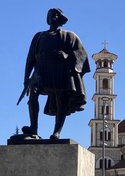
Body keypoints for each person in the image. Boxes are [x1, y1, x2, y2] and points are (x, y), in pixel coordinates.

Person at [21, 8, 90, 139]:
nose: (53, 17)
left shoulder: (69, 36)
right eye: (50, 15)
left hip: (59, 71)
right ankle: (33, 128)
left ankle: (57, 132)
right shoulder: (39, 36)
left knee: (60, 99)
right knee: (33, 96)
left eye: (55, 15)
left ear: (61, 18)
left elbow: (81, 55)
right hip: (41, 71)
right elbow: (30, 58)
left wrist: (67, 56)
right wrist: (26, 78)